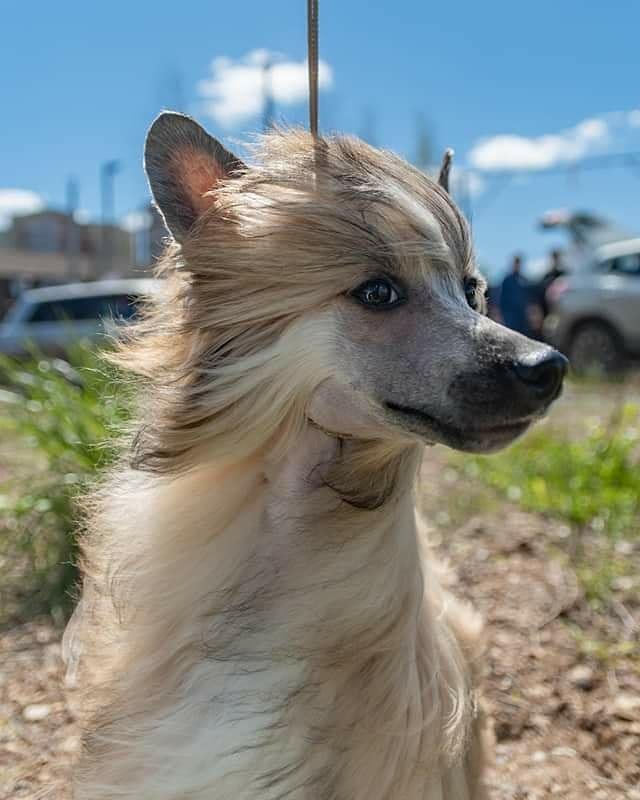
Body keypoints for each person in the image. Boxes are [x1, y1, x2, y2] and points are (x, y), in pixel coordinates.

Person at [499, 254, 533, 337]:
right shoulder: (507, 280)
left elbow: (529, 299)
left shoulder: (524, 280)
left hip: (523, 316)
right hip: (509, 315)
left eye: (519, 263)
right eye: (516, 262)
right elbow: (501, 298)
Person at [538, 249, 566, 318]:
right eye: (554, 257)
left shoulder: (564, 274)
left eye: (557, 257)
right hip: (550, 310)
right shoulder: (548, 276)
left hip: (563, 309)